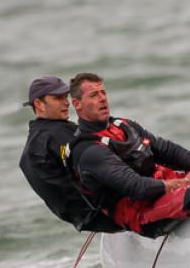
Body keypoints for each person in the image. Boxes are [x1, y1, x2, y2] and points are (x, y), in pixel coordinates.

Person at [68, 72, 190, 236]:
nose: (102, 99)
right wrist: (187, 182)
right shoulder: (89, 151)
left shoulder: (123, 125)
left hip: (165, 190)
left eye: (103, 93)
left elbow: (167, 150)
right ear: (77, 104)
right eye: (94, 95)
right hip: (137, 211)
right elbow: (137, 187)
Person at [19, 76, 120, 232]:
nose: (66, 102)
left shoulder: (35, 141)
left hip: (87, 219)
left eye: (66, 96)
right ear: (39, 104)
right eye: (58, 98)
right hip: (107, 214)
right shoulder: (58, 136)